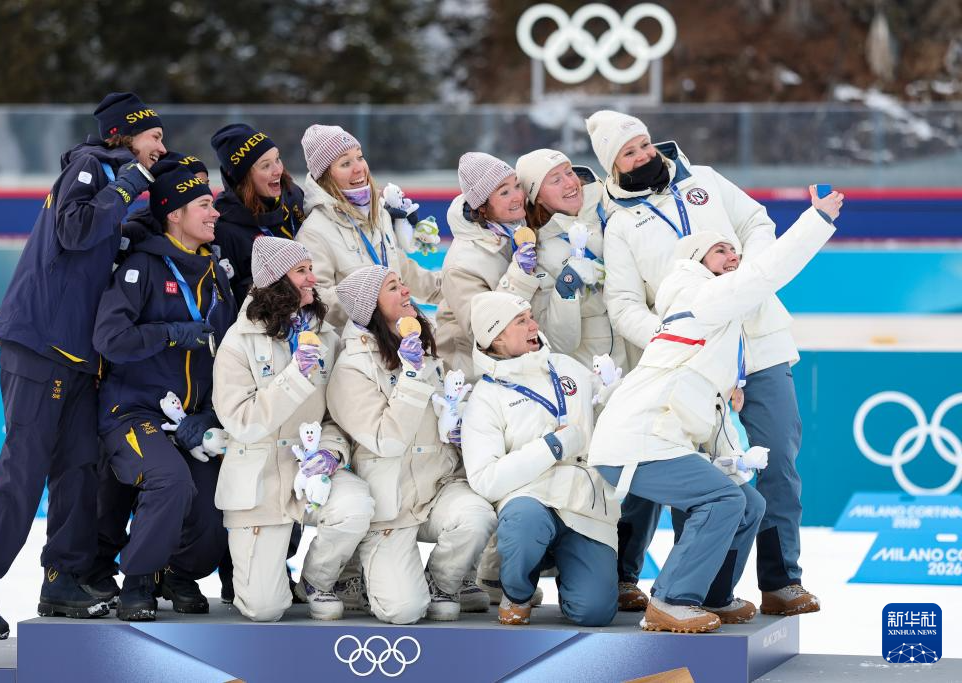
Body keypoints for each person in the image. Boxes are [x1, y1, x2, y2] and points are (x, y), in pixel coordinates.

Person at [0, 92, 165, 639]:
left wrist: (132, 229)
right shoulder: (93, 166)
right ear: (124, 134)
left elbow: (92, 246)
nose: (162, 146)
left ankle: (63, 578)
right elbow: (74, 230)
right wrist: (127, 187)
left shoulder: (111, 179)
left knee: (79, 468)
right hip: (42, 346)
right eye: (154, 136)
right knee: (25, 466)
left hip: (76, 356)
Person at [588, 109, 823, 615]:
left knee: (778, 463)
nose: (642, 155)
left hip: (759, 343)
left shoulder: (707, 182)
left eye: (644, 143)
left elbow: (757, 223)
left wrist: (749, 274)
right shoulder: (621, 223)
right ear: (613, 166)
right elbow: (623, 303)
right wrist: (673, 336)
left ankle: (781, 581)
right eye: (628, 152)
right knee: (696, 475)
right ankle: (693, 588)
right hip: (692, 364)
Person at [92, 161, 236, 621]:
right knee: (170, 482)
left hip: (193, 420)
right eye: (204, 205)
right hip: (134, 413)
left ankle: (176, 573)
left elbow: (229, 355)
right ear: (174, 214)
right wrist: (171, 334)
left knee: (218, 505)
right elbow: (109, 339)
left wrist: (210, 414)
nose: (215, 214)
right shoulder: (143, 267)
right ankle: (138, 581)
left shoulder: (214, 273)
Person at [212, 237, 374, 621]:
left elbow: (337, 416)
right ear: (276, 280)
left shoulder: (326, 337)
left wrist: (330, 453)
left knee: (355, 506)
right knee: (264, 609)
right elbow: (242, 421)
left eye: (311, 269)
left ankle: (316, 580)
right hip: (259, 479)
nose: (312, 279)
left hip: (309, 473)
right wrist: (295, 376)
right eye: (301, 271)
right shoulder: (238, 342)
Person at [326, 266, 496, 624]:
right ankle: (359, 579)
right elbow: (386, 439)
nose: (406, 291)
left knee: (476, 516)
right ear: (371, 306)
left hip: (439, 485)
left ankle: (442, 583)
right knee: (404, 611)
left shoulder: (420, 344)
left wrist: (458, 427)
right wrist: (412, 375)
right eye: (393, 287)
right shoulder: (351, 368)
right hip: (392, 501)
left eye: (403, 284)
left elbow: (440, 410)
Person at [461, 291, 621, 627]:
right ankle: (517, 594)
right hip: (530, 498)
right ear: (496, 337)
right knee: (525, 524)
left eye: (530, 317)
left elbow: (605, 426)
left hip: (585, 504)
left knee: (595, 612)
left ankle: (575, 576)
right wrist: (552, 447)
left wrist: (612, 396)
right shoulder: (487, 395)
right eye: (521, 321)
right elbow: (485, 479)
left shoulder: (568, 367)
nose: (534, 325)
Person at [295, 124, 442, 331]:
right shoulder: (314, 232)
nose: (359, 168)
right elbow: (316, 300)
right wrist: (372, 299)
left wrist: (455, 286)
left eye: (360, 157)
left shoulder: (379, 213)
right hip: (356, 345)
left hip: (396, 338)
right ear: (325, 176)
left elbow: (403, 272)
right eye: (345, 163)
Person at [515, 148, 630, 372]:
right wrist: (565, 291)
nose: (570, 183)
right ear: (537, 197)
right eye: (555, 180)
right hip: (594, 371)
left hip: (644, 350)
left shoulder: (612, 206)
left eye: (569, 172)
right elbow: (559, 343)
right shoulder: (539, 252)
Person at [433, 153, 541, 379]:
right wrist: (519, 274)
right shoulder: (461, 265)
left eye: (517, 186)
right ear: (482, 207)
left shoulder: (517, 228)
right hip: (474, 374)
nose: (517, 196)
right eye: (504, 192)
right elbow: (484, 332)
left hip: (520, 358)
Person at [210, 124, 306, 306]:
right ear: (243, 177)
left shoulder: (293, 195)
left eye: (277, 159)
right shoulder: (225, 230)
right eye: (266, 166)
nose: (278, 170)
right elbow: (234, 301)